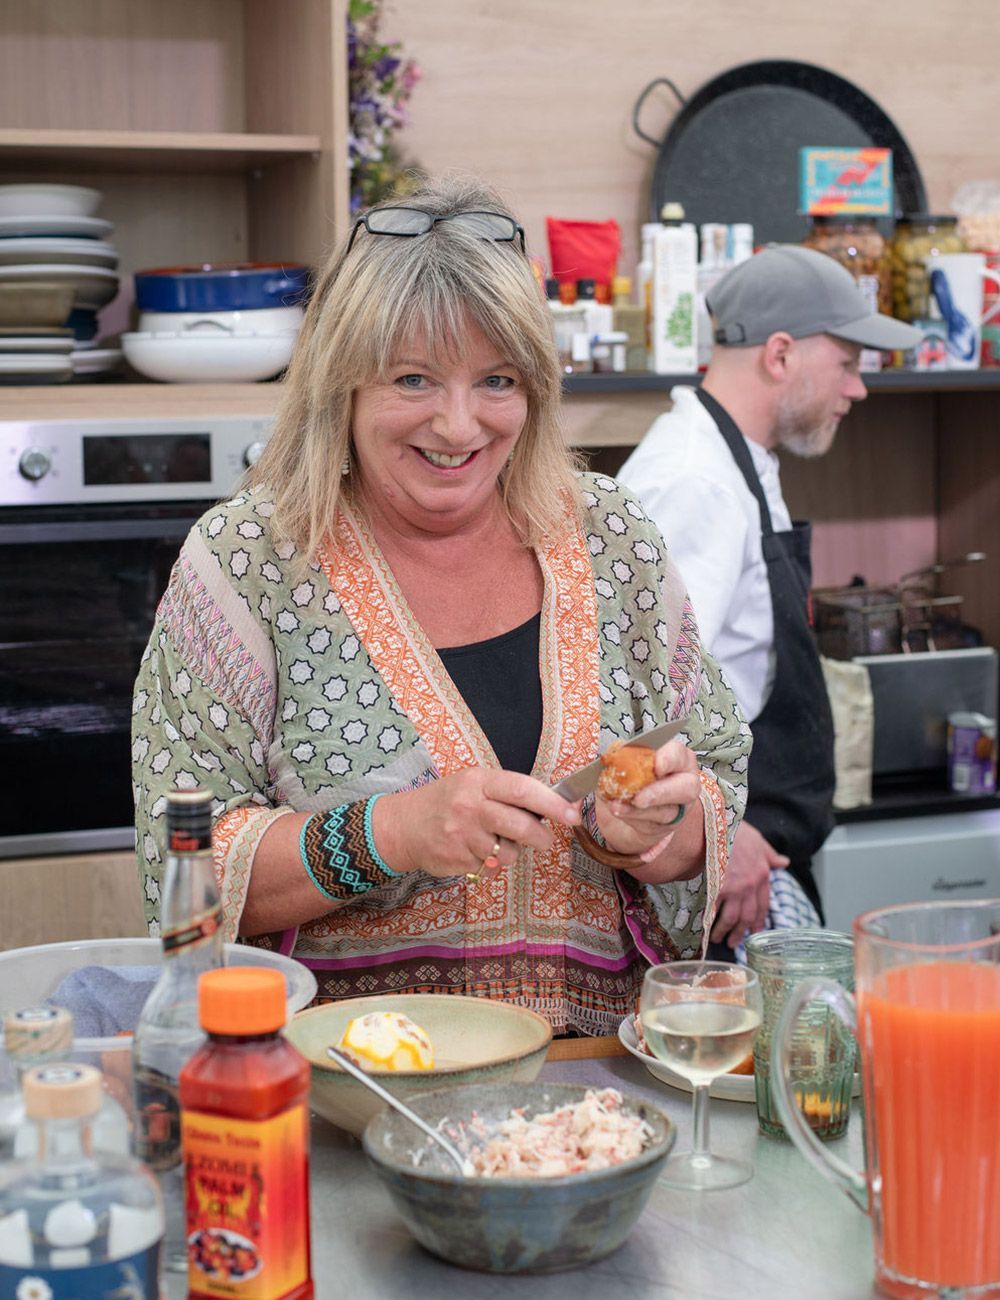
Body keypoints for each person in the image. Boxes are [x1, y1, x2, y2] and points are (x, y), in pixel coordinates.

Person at [131, 176, 750, 1036]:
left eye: (496, 380)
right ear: (339, 385)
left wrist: (649, 827)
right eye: (413, 379)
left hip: (592, 1093)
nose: (458, 425)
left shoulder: (610, 533)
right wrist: (390, 833)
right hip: (347, 1088)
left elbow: (711, 772)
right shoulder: (248, 563)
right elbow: (179, 868)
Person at [617, 245, 920, 952]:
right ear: (780, 355)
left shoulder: (738, 461)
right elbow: (635, 705)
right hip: (715, 868)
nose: (858, 390)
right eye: (847, 364)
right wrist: (721, 830)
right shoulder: (694, 481)